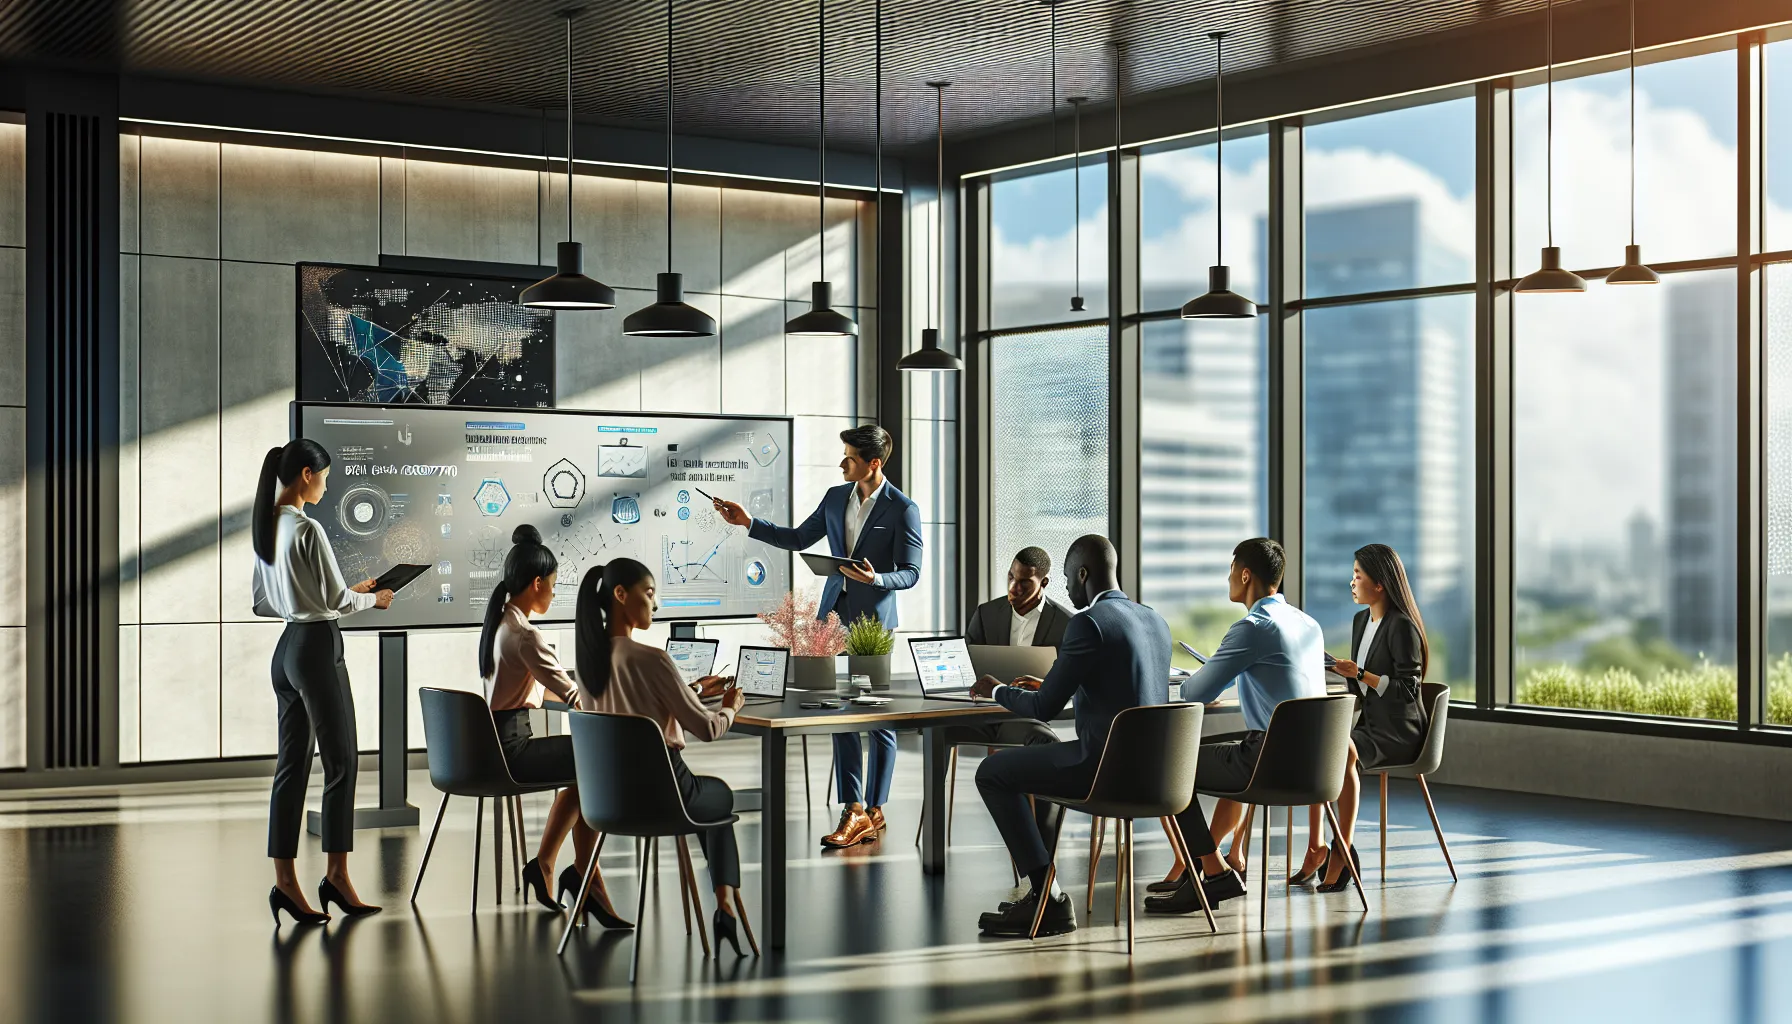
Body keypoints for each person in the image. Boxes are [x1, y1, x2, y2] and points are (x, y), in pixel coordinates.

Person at [714, 424, 922, 849]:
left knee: (876, 717)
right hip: (833, 619)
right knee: (838, 711)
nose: (842, 463)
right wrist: (748, 522)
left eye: (850, 458)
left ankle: (874, 806)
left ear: (873, 464)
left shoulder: (903, 509)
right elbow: (797, 538)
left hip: (874, 628)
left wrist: (877, 577)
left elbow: (911, 572)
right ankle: (853, 807)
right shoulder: (834, 498)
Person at [966, 535, 1171, 937]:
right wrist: (1052, 683)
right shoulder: (1153, 619)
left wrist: (995, 690)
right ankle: (1045, 895)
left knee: (993, 772)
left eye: (1065, 578)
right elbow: (1117, 687)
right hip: (1160, 775)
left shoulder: (1087, 622)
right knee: (1040, 754)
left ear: (1082, 574)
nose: (1065, 588)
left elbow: (1043, 709)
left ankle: (1049, 898)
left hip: (1102, 772)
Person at [575, 559, 757, 956]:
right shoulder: (653, 659)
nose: (656, 604)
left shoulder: (588, 665)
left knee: (709, 804)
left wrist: (689, 688)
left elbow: (630, 705)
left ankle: (725, 907)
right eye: (650, 592)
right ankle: (725, 905)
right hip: (664, 795)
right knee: (719, 799)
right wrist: (730, 706)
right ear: (621, 595)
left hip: (609, 801)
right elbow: (707, 729)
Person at [251, 439, 393, 925]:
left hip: (286, 648)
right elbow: (337, 599)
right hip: (316, 649)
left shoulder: (267, 525)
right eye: (325, 476)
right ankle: (336, 877)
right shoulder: (308, 528)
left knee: (291, 765)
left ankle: (285, 883)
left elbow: (263, 602)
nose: (327, 485)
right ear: (308, 474)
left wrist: (322, 598)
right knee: (342, 762)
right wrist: (374, 599)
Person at [1146, 537, 1324, 916]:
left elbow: (1194, 691)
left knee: (1169, 766)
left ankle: (1212, 873)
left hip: (1270, 762)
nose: (1228, 579)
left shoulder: (1254, 626)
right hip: (1318, 765)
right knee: (1228, 749)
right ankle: (1210, 862)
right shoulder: (1308, 623)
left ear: (1245, 575)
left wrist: (1205, 677)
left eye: (1230, 571)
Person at [478, 524, 630, 928]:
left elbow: (532, 688)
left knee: (584, 765)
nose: (555, 592)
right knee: (594, 762)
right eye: (554, 584)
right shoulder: (525, 635)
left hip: (493, 744)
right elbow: (573, 695)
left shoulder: (500, 623)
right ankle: (576, 875)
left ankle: (558, 868)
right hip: (513, 752)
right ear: (537, 583)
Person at [1295, 543, 1428, 892]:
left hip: (1400, 732)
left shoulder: (1402, 627)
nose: (1351, 582)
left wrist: (1362, 673)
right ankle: (1316, 847)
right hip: (1370, 725)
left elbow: (1408, 690)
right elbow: (1362, 689)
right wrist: (1341, 676)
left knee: (1343, 753)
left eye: (1357, 575)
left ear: (1380, 583)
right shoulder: (1360, 621)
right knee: (1318, 748)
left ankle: (1341, 850)